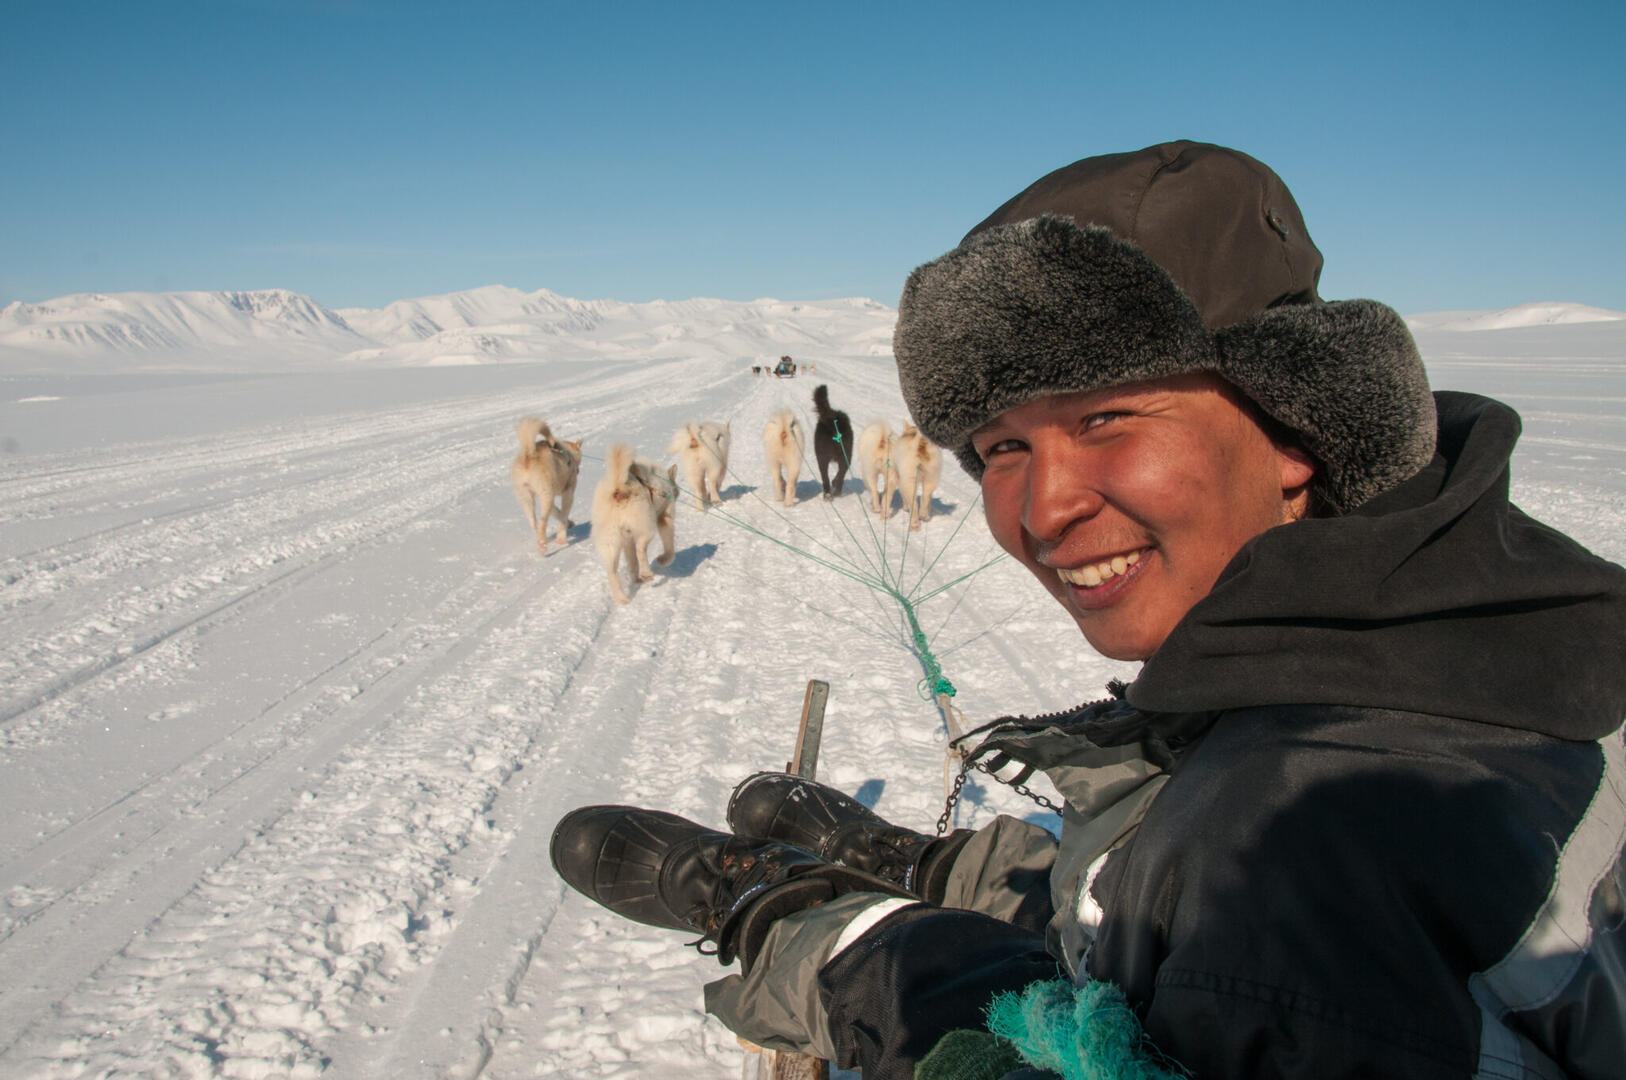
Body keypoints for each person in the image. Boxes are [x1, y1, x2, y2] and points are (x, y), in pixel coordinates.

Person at [551, 141, 1626, 1078]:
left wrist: (834, 946)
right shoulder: (1487, 642)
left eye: (1109, 416)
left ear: (1301, 427)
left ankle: (768, 898)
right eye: (1003, 447)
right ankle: (921, 863)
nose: (1045, 506)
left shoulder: (1306, 853)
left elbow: (1195, 967)